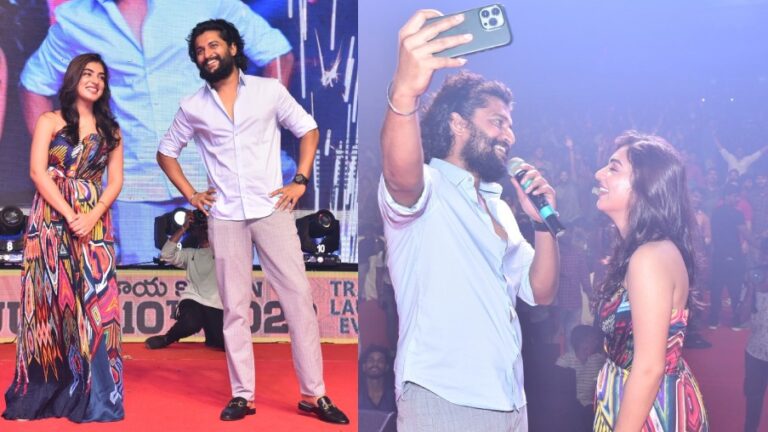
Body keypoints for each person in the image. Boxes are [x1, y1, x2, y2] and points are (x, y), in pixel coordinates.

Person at [156, 19, 348, 424]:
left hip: (271, 210)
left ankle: (314, 394)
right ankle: (242, 395)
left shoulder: (268, 90)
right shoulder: (192, 106)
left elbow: (308, 129)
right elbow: (166, 152)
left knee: (298, 300)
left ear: (232, 47)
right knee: (235, 310)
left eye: (213, 46)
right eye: (199, 51)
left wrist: (300, 180)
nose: (207, 54)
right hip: (225, 217)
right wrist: (192, 194)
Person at [379, 10, 559, 431]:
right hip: (443, 397)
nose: (509, 135)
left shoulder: (499, 208)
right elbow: (399, 176)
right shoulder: (428, 187)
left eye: (510, 125)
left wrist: (541, 224)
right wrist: (404, 92)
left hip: (510, 400)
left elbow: (542, 292)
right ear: (458, 124)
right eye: (497, 122)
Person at [21, 0, 294, 264]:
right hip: (135, 184)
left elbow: (276, 53)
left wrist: (252, 129)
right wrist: (68, 162)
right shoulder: (75, 19)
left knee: (236, 276)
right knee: (142, 285)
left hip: (218, 174)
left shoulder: (206, 3)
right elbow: (34, 84)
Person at [3, 53, 124, 422]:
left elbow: (115, 181)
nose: (95, 80)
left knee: (98, 306)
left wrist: (92, 215)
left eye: (101, 76)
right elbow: (38, 173)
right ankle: (41, 394)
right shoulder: (50, 121)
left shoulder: (111, 130)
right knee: (49, 304)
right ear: (73, 78)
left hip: (95, 225)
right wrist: (71, 215)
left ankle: (97, 395)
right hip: (52, 220)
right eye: (88, 73)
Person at [592, 131, 708, 431]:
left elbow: (648, 368)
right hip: (642, 400)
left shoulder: (649, 257)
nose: (599, 174)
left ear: (645, 186)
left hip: (648, 411)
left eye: (613, 168)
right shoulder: (645, 250)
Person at [144, 210, 224, 350]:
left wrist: (213, 224)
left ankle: (211, 336)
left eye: (206, 227)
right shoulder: (190, 254)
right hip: (193, 298)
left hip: (216, 303)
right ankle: (167, 338)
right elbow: (166, 254)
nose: (202, 230)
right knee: (191, 323)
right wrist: (183, 228)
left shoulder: (222, 252)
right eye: (200, 227)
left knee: (220, 343)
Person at [709, 183, 749, 330]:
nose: (737, 198)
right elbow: (745, 233)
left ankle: (713, 320)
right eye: (734, 195)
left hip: (718, 254)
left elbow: (713, 235)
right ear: (727, 196)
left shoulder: (715, 213)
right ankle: (736, 320)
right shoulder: (737, 214)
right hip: (734, 254)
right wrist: (758, 242)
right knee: (735, 288)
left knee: (716, 287)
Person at [555, 325, 605, 430]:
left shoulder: (598, 360)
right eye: (592, 340)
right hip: (570, 408)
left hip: (591, 407)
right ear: (582, 342)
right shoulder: (564, 361)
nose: (596, 343)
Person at [744, 238, 768, 432]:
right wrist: (751, 291)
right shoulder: (755, 277)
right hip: (756, 351)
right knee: (753, 397)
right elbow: (742, 316)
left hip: (756, 350)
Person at [359, 345, 397, 412]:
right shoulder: (356, 395)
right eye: (371, 360)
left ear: (387, 367)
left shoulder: (394, 396)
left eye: (380, 361)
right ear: (364, 366)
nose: (375, 364)